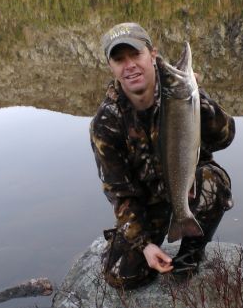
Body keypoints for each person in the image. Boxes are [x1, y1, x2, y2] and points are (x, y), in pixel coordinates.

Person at [89, 22, 235, 289]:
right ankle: (143, 245)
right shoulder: (105, 123)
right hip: (147, 205)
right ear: (111, 67)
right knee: (121, 277)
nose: (129, 65)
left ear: (152, 54)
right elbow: (120, 194)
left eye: (136, 54)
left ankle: (191, 253)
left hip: (188, 186)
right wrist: (144, 245)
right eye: (119, 59)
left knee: (214, 180)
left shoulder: (179, 91)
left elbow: (225, 138)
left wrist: (199, 102)